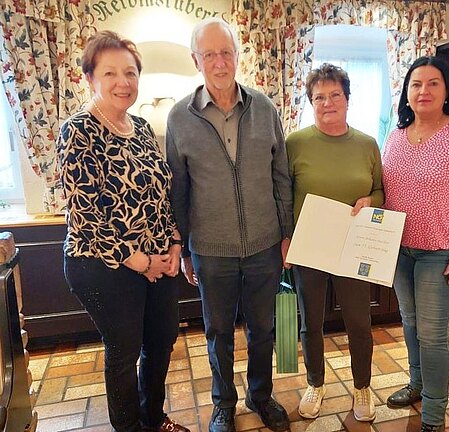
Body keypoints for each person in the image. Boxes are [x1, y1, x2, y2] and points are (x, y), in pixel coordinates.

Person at [166, 18, 293, 432]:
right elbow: (178, 189)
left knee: (263, 329)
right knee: (217, 332)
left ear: (238, 56)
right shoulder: (179, 118)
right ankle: (223, 403)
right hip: (210, 250)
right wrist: (185, 248)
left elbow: (281, 176)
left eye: (226, 52)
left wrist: (287, 234)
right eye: (209, 55)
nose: (219, 62)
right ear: (196, 61)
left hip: (264, 246)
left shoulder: (265, 108)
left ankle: (261, 395)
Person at [58, 31, 189, 432]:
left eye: (130, 73)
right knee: (124, 350)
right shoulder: (78, 130)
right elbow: (86, 215)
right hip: (102, 265)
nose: (123, 82)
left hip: (156, 259)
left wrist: (174, 244)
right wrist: (141, 261)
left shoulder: (143, 128)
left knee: (162, 340)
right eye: (110, 73)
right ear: (90, 78)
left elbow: (159, 196)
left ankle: (153, 417)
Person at [381, 56, 449, 432]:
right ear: (406, 93)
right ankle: (417, 384)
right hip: (399, 250)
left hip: (441, 253)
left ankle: (433, 415)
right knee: (410, 323)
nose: (423, 91)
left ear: (447, 92)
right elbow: (387, 190)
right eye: (416, 84)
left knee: (432, 334)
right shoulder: (396, 136)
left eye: (433, 83)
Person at [285, 63, 383, 422]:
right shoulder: (295, 143)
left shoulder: (367, 144)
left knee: (359, 322)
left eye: (335, 95)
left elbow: (379, 189)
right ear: (311, 102)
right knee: (310, 322)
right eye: (319, 97)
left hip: (353, 247)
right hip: (309, 247)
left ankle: (362, 386)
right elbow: (282, 195)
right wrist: (286, 239)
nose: (328, 103)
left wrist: (371, 201)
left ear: (347, 98)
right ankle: (315, 382)